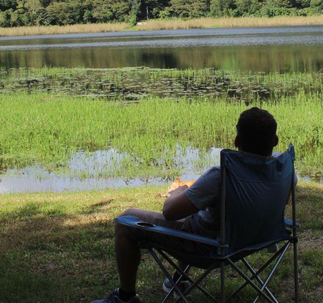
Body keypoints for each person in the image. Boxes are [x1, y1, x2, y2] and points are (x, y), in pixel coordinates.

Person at [92, 107, 281, 303]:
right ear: (275, 141)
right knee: (193, 216)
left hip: (210, 248)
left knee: (126, 220)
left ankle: (125, 297)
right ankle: (178, 279)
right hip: (253, 240)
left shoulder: (222, 176)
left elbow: (169, 212)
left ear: (237, 141)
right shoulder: (283, 172)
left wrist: (179, 191)